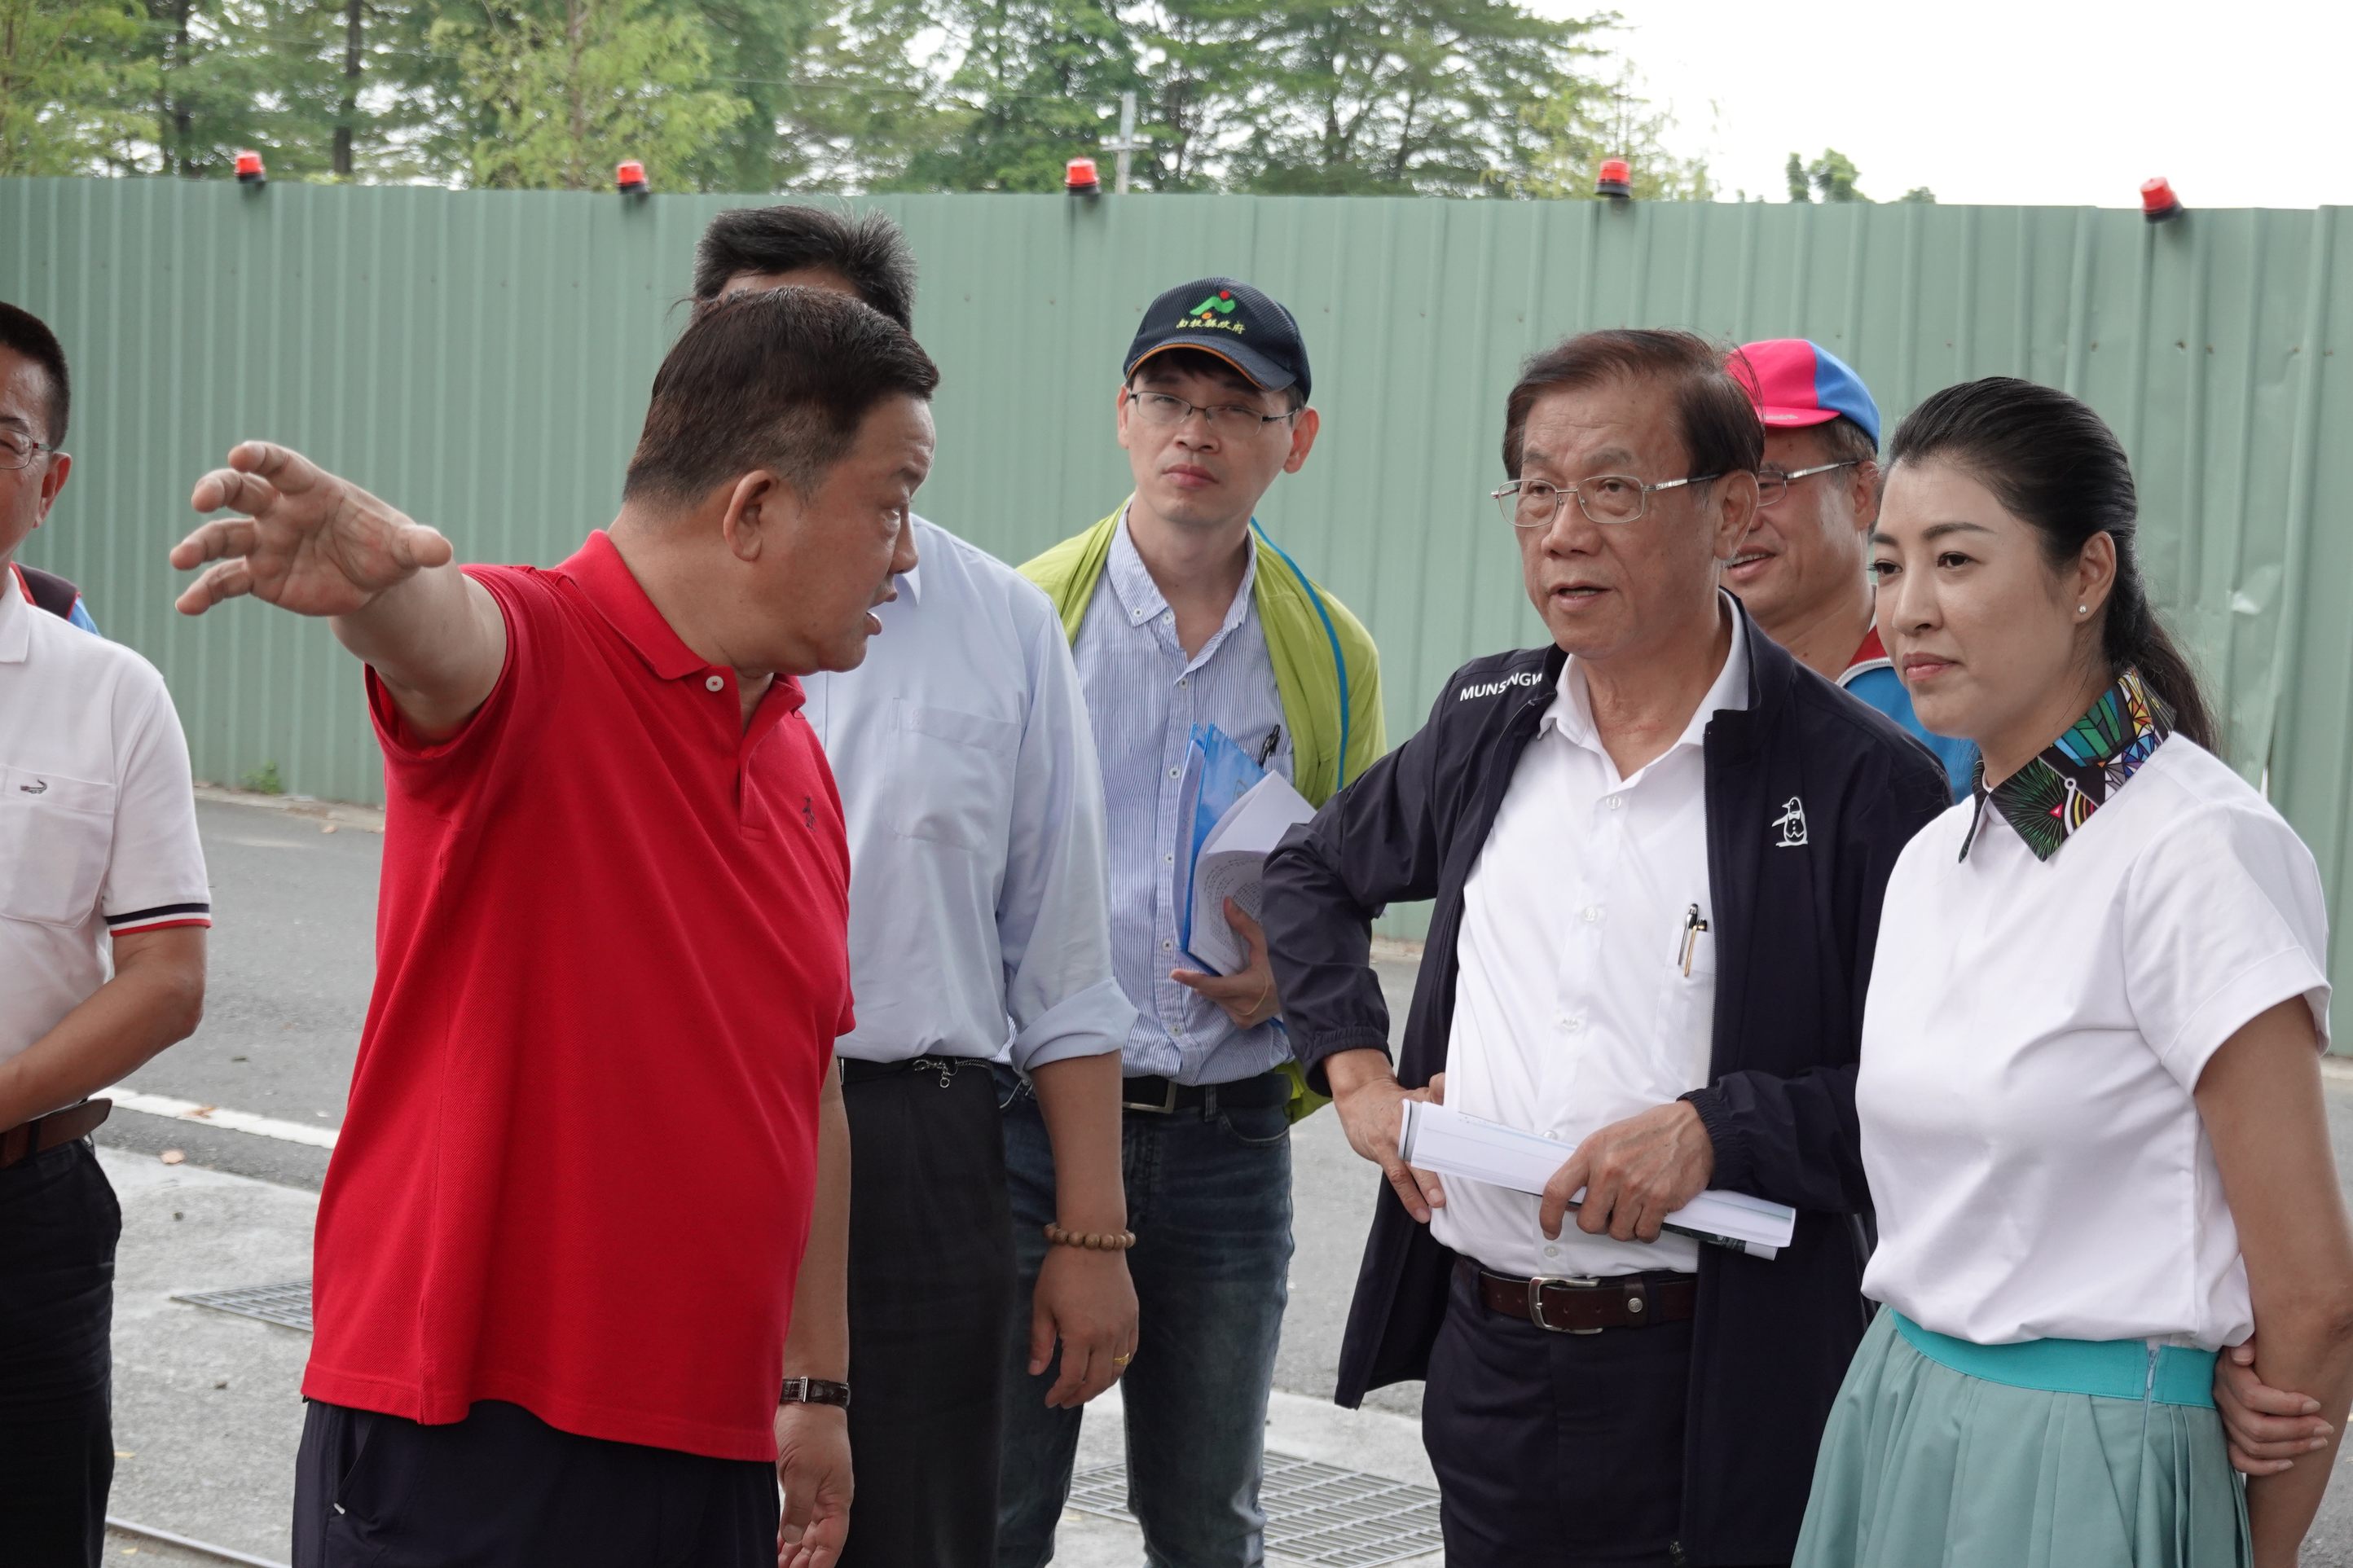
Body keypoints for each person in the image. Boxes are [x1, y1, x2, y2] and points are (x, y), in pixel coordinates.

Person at [169, 287, 939, 1568]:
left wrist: (818, 1387)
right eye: (893, 502)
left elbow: (805, 1093)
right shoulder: (544, 646)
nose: (908, 555)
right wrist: (376, 595)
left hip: (709, 1445)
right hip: (479, 1442)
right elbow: (444, 638)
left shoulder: (799, 752)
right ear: (754, 508)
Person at [1260, 329, 1951, 1566]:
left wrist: (1716, 1131)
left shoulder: (1859, 781)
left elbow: (1931, 1102)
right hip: (1490, 1361)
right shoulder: (1492, 719)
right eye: (1536, 487)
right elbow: (1310, 874)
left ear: (1729, 507)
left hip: (1717, 1374)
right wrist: (1357, 1075)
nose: (1563, 530)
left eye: (1615, 489)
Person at [1792, 377, 2353, 1568]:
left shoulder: (2197, 851)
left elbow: (2314, 1301)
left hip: (2091, 1470)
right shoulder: (1936, 857)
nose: (1909, 611)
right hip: (1896, 1412)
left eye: (1957, 560)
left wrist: (2240, 1542)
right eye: (1889, 566)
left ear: (2086, 573)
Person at [693, 204, 1139, 1568]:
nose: (777, 390)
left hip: (916, 1154)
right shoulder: (622, 623)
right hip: (689, 1143)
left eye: (820, 353)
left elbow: (1060, 957)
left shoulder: (997, 623)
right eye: (741, 346)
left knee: (914, 1531)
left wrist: (1088, 1231)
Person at [1003, 276, 1384, 1567]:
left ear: (1298, 437)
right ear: (1123, 415)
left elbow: (1345, 880)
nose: (1196, 432)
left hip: (1226, 1138)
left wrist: (1296, 971)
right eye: (1169, 398)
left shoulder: (1331, 652)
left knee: (1209, 1518)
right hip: (1030, 1133)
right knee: (998, 1505)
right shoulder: (1025, 616)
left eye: (1237, 406)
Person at [0, 301, 210, 1567]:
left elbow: (168, 979)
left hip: (26, 1219)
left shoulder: (112, 694)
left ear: (49, 478)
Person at [1726, 338, 1974, 798]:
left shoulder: (1958, 666)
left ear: (1862, 494)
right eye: (1718, 492)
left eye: (1766, 483)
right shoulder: (1665, 694)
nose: (1740, 518)